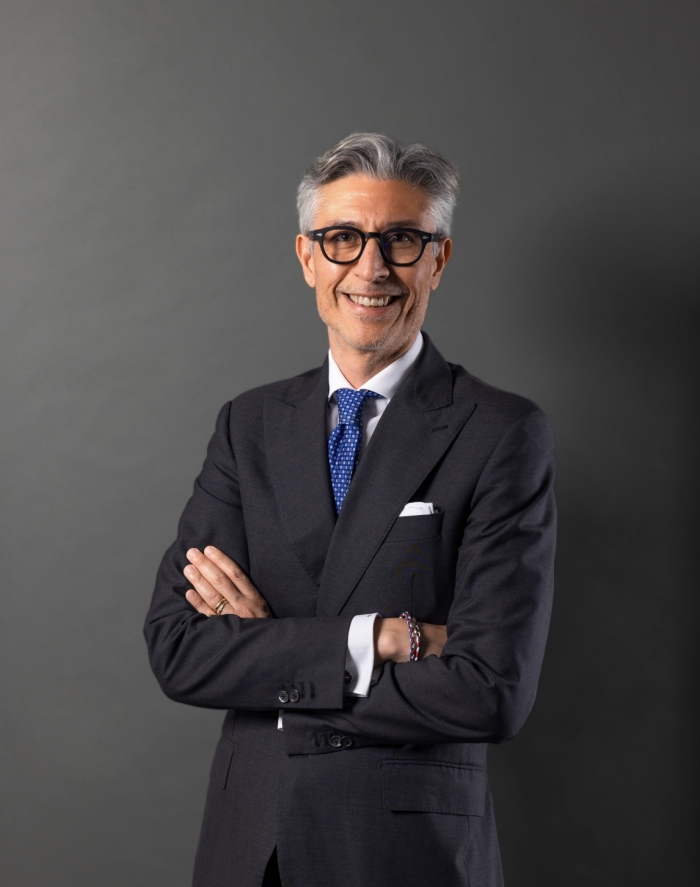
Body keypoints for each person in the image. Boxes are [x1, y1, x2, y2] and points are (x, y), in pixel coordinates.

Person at [144, 132, 556, 887]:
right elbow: (179, 649)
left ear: (438, 259)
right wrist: (381, 639)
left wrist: (274, 663)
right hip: (250, 849)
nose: (371, 268)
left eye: (401, 240)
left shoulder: (501, 432)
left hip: (408, 853)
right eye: (343, 239)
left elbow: (490, 690)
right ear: (308, 257)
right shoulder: (248, 425)